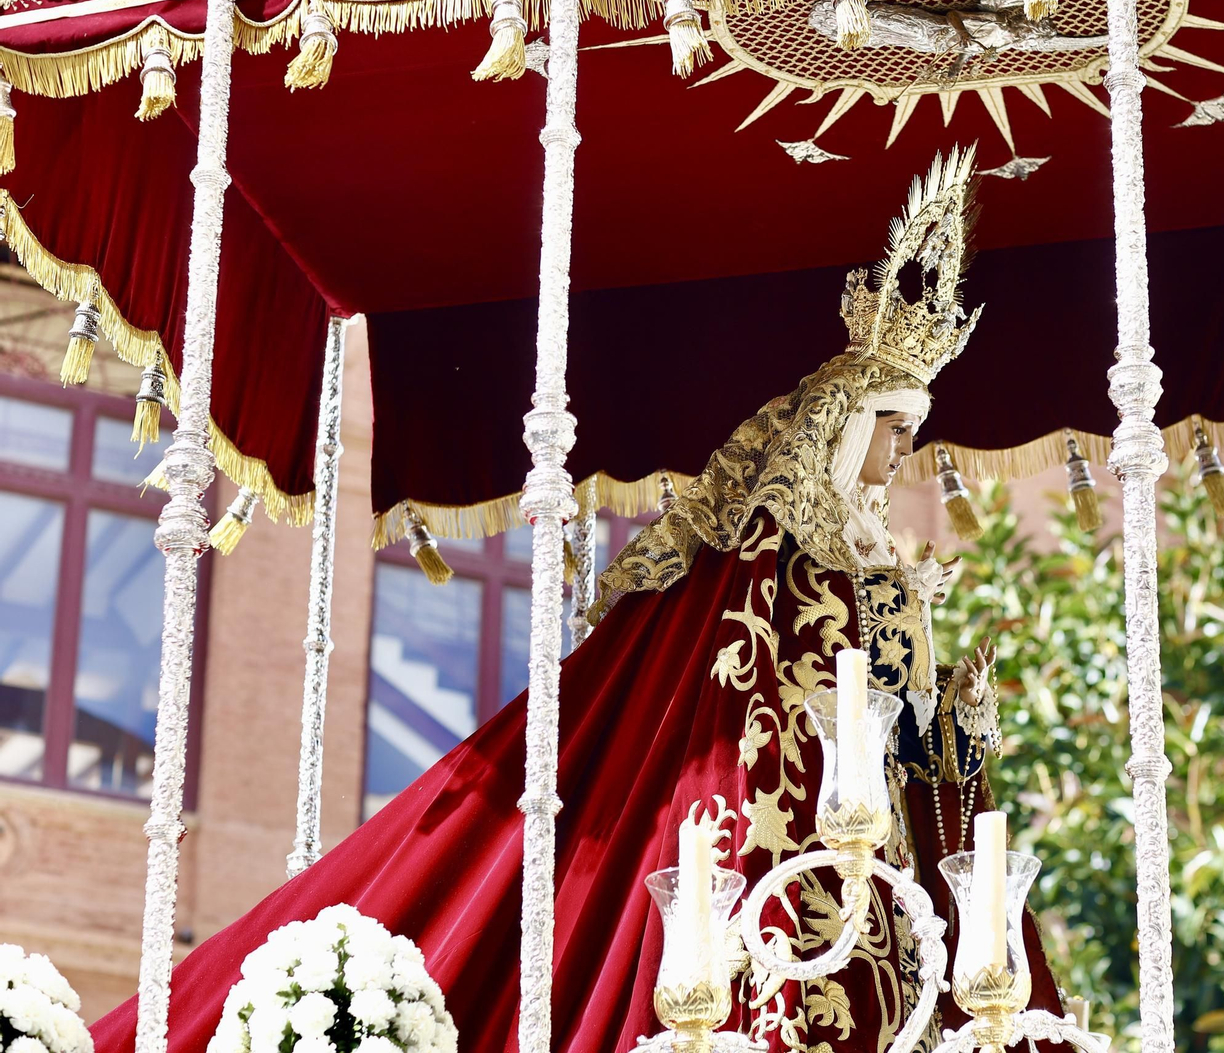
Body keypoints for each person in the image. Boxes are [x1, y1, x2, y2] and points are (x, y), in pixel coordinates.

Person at [89, 146, 1066, 1053]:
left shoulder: (877, 571)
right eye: (890, 427)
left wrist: (949, 727)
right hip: (782, 885)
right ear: (842, 426)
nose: (900, 456)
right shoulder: (780, 565)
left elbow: (907, 750)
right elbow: (751, 724)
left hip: (873, 894)